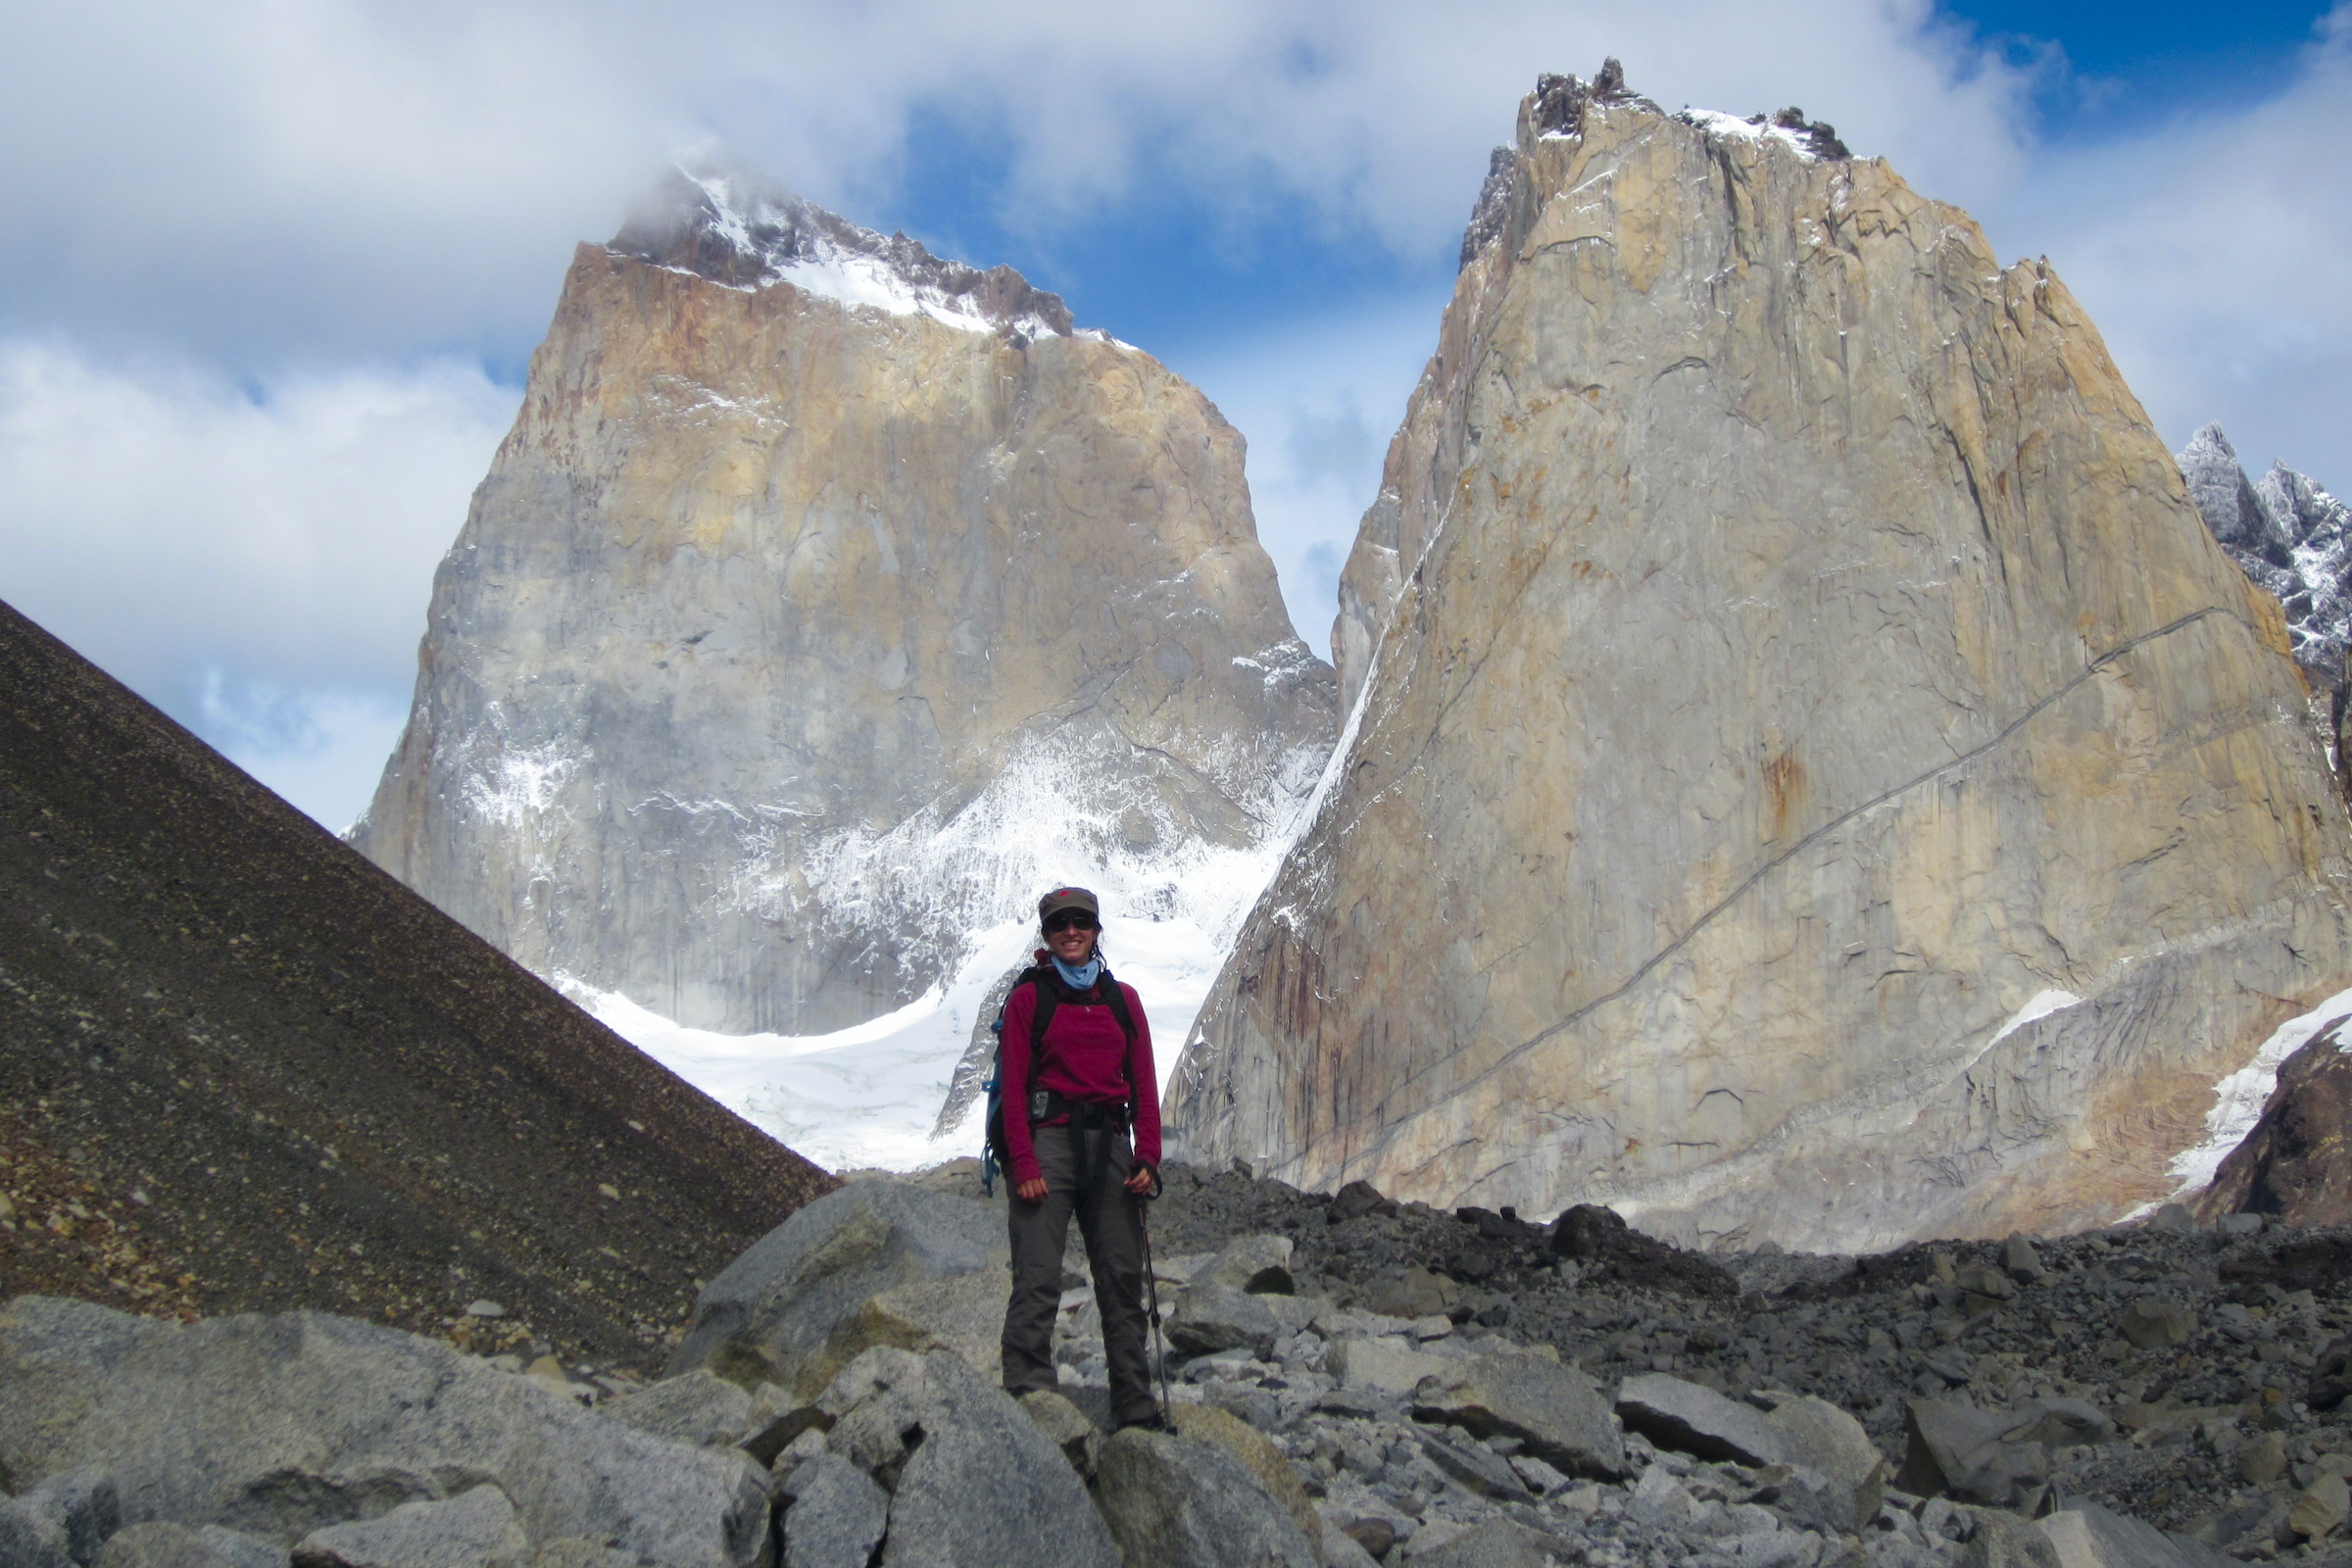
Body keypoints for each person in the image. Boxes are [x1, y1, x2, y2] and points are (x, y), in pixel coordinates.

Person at [998, 884, 1165, 1431]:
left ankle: (1136, 1411)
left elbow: (1142, 1082)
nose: (1071, 931)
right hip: (1049, 1146)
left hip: (1112, 1147)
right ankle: (1031, 1403)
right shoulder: (1028, 998)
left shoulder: (1123, 1000)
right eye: (1059, 924)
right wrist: (1022, 1164)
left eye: (1081, 922)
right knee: (1038, 1279)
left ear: (1096, 930)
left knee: (1121, 1281)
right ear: (1046, 934)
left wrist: (1149, 1158)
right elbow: (1016, 1089)